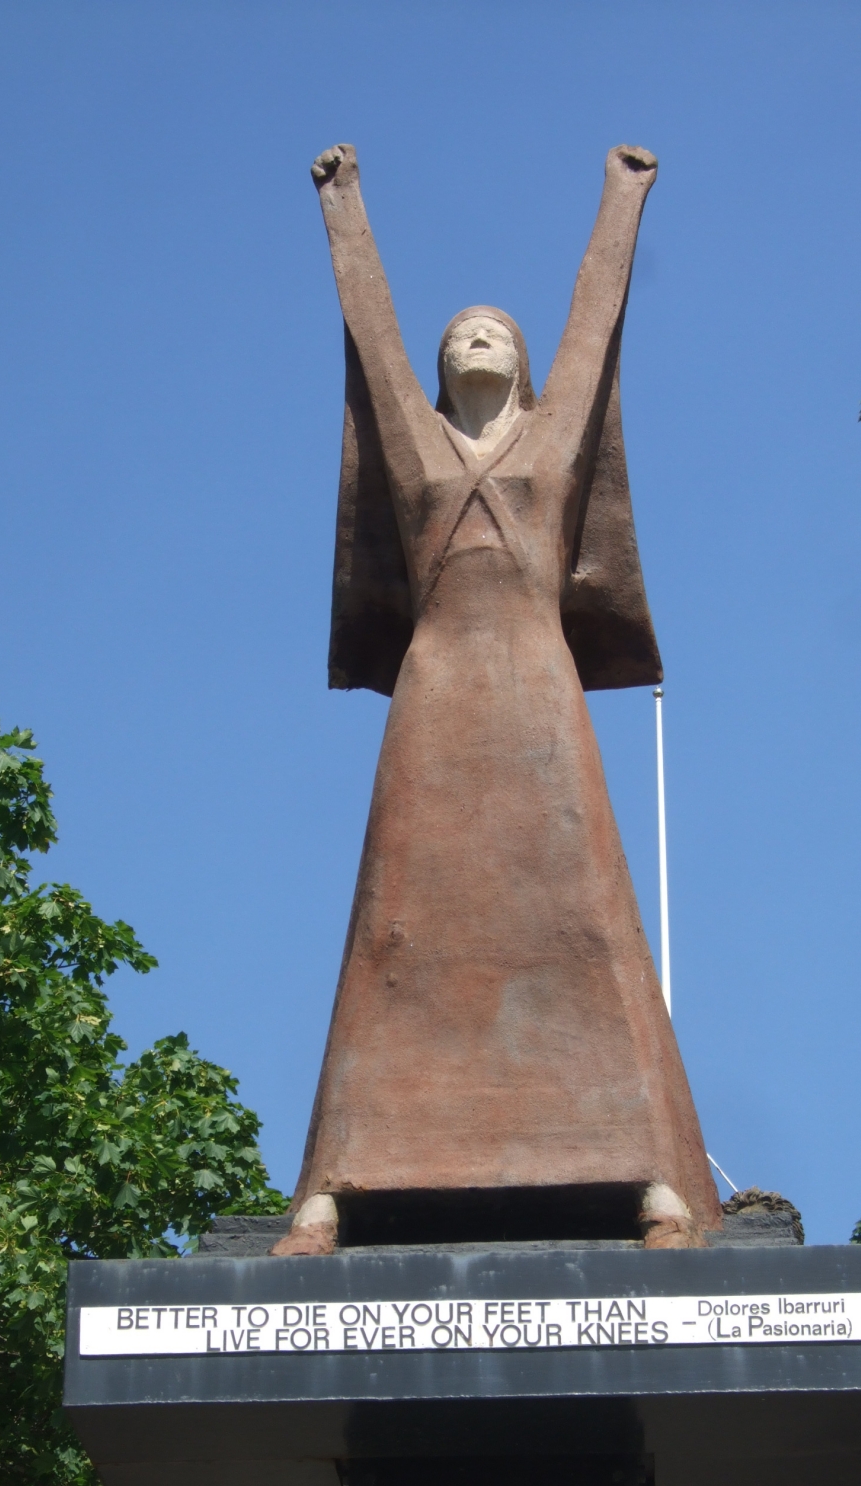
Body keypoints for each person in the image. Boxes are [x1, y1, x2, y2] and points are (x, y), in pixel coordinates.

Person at [274, 144, 720, 1256]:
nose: (477, 335)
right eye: (460, 331)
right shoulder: (416, 449)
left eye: (496, 331)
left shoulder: (553, 437)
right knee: (395, 929)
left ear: (523, 364)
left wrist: (623, 199)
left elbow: (596, 333)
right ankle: (332, 1190)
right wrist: (343, 206)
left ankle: (653, 1181)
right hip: (434, 707)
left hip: (540, 705)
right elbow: (372, 341)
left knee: (584, 922)